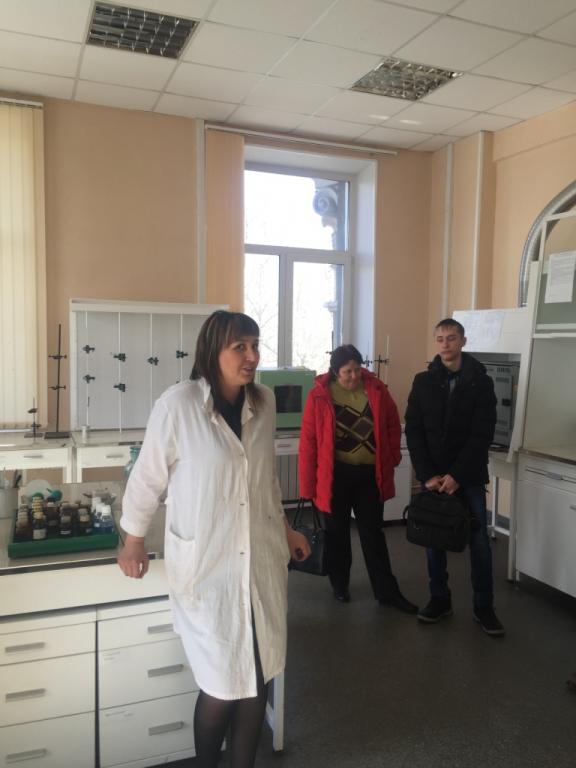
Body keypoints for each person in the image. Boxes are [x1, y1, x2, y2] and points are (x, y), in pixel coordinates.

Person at [117, 310, 311, 768]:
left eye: (255, 345)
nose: (251, 356)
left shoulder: (263, 402)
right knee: (221, 686)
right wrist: (133, 538)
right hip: (208, 569)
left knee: (258, 677)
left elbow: (265, 480)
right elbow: (147, 479)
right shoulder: (178, 405)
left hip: (259, 560)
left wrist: (286, 529)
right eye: (239, 347)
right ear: (212, 351)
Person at [298, 344, 417, 614]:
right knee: (337, 534)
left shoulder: (376, 389)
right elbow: (309, 442)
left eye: (356, 370)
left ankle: (387, 592)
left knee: (373, 535)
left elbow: (392, 424)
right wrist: (308, 486)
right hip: (335, 477)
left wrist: (392, 457)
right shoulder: (319, 396)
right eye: (347, 372)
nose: (353, 376)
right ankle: (340, 584)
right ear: (335, 372)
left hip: (368, 476)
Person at [404, 318, 504, 637]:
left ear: (463, 341)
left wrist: (457, 475)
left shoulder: (480, 382)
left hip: (468, 476)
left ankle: (484, 607)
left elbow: (482, 432)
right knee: (434, 540)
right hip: (434, 477)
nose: (445, 344)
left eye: (451, 338)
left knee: (479, 543)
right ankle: (439, 599)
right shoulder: (423, 382)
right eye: (440, 339)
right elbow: (414, 430)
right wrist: (427, 475)